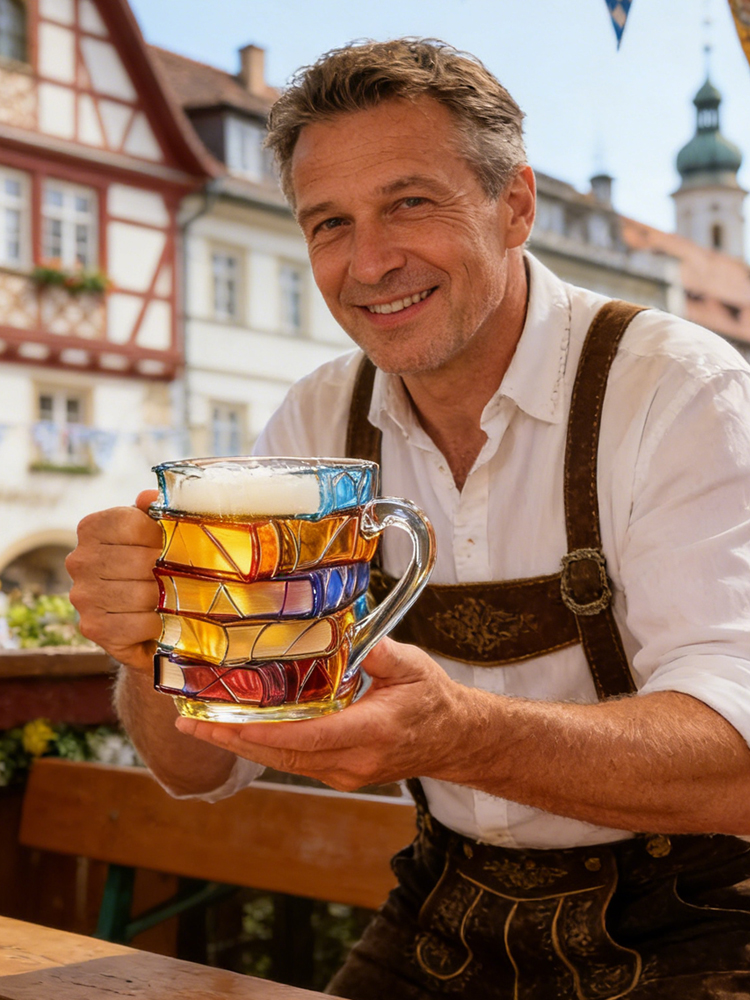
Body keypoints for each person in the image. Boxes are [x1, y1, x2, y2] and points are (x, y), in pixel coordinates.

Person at [66, 38, 750, 999]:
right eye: (329, 223)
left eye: (410, 203)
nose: (370, 262)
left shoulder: (679, 390)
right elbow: (191, 771)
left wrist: (456, 735)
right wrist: (153, 639)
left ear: (515, 204)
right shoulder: (314, 421)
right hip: (448, 904)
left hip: (704, 918)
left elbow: (738, 769)